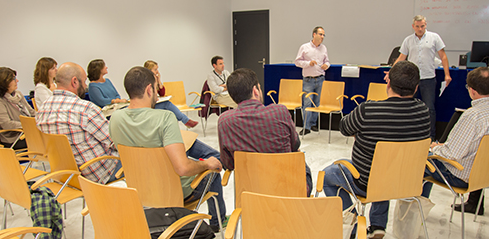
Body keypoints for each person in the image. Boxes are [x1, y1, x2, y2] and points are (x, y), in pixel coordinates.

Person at [109, 66, 227, 232]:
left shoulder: (115, 118)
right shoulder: (164, 118)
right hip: (174, 192)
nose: (157, 94)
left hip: (138, 192)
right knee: (213, 171)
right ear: (149, 89)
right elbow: (183, 168)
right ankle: (217, 223)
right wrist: (207, 164)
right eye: (156, 89)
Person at [322, 61, 430, 239]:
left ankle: (354, 223)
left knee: (328, 175)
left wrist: (362, 132)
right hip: (406, 181)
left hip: (367, 183)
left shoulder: (368, 110)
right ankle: (378, 225)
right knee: (385, 170)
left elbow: (344, 128)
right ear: (416, 87)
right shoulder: (423, 112)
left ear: (388, 84)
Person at [423, 67, 489, 215]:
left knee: (417, 160)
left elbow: (451, 154)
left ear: (472, 91)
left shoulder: (473, 116)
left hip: (461, 175)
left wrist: (434, 148)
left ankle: (415, 213)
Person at [217, 68, 313, 196]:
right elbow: (295, 145)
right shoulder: (280, 112)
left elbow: (228, 164)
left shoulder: (224, 121)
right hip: (288, 191)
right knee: (300, 160)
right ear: (256, 90)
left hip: (251, 195)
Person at [36, 62, 122, 184]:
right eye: (84, 81)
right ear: (74, 81)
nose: (85, 85)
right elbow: (115, 142)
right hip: (100, 173)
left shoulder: (43, 109)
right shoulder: (84, 109)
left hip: (66, 176)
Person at [392, 15, 452, 140]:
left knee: (429, 108)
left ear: (426, 25)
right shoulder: (408, 40)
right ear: (413, 26)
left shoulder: (434, 37)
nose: (420, 29)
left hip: (428, 78)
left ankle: (430, 136)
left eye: (422, 26)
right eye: (417, 26)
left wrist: (447, 74)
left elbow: (443, 56)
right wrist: (391, 72)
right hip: (411, 79)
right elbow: (401, 57)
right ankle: (409, 134)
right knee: (408, 107)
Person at [0, 67, 36, 149]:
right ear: (4, 82)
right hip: (15, 138)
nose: (17, 81)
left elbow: (31, 112)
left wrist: (43, 118)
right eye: (13, 79)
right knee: (50, 139)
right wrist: (30, 125)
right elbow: (7, 124)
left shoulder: (18, 94)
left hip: (29, 131)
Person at [295, 26, 330, 135]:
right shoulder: (304, 47)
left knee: (317, 102)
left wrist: (326, 66)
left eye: (324, 35)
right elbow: (297, 62)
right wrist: (308, 63)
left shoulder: (324, 48)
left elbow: (327, 61)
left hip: (320, 78)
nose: (322, 37)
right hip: (308, 80)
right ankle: (306, 126)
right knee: (307, 102)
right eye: (320, 34)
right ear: (314, 34)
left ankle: (314, 124)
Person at [144, 60, 198, 128]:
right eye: (155, 69)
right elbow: (148, 96)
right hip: (149, 106)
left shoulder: (155, 79)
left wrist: (159, 81)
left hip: (154, 104)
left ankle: (182, 123)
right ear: (149, 71)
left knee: (169, 111)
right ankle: (186, 121)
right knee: (166, 104)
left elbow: (162, 94)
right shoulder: (145, 82)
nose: (157, 71)